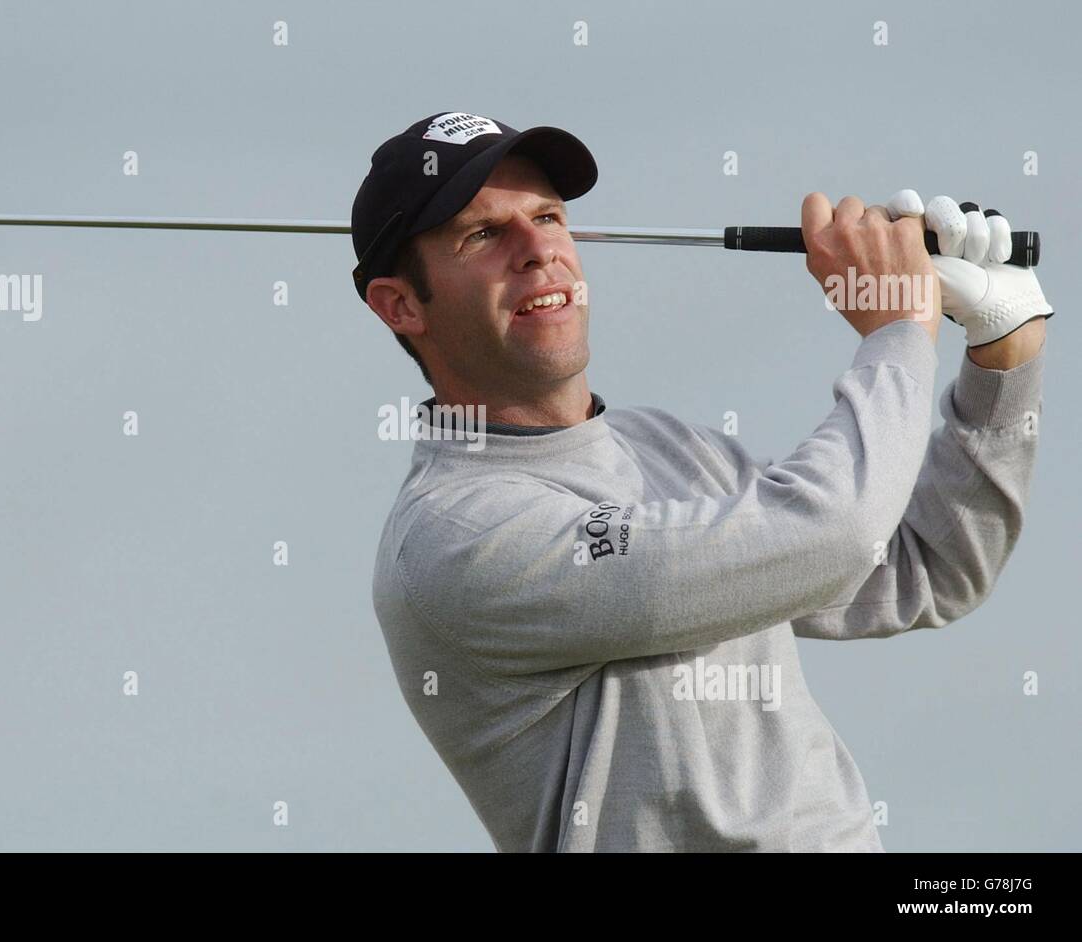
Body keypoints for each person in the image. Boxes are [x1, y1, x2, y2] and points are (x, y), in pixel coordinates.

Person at [352, 111, 1052, 852]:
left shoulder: (669, 447)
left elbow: (925, 565)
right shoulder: (457, 534)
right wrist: (899, 332)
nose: (539, 252)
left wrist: (1005, 353)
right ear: (400, 304)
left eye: (549, 216)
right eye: (483, 234)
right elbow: (835, 529)